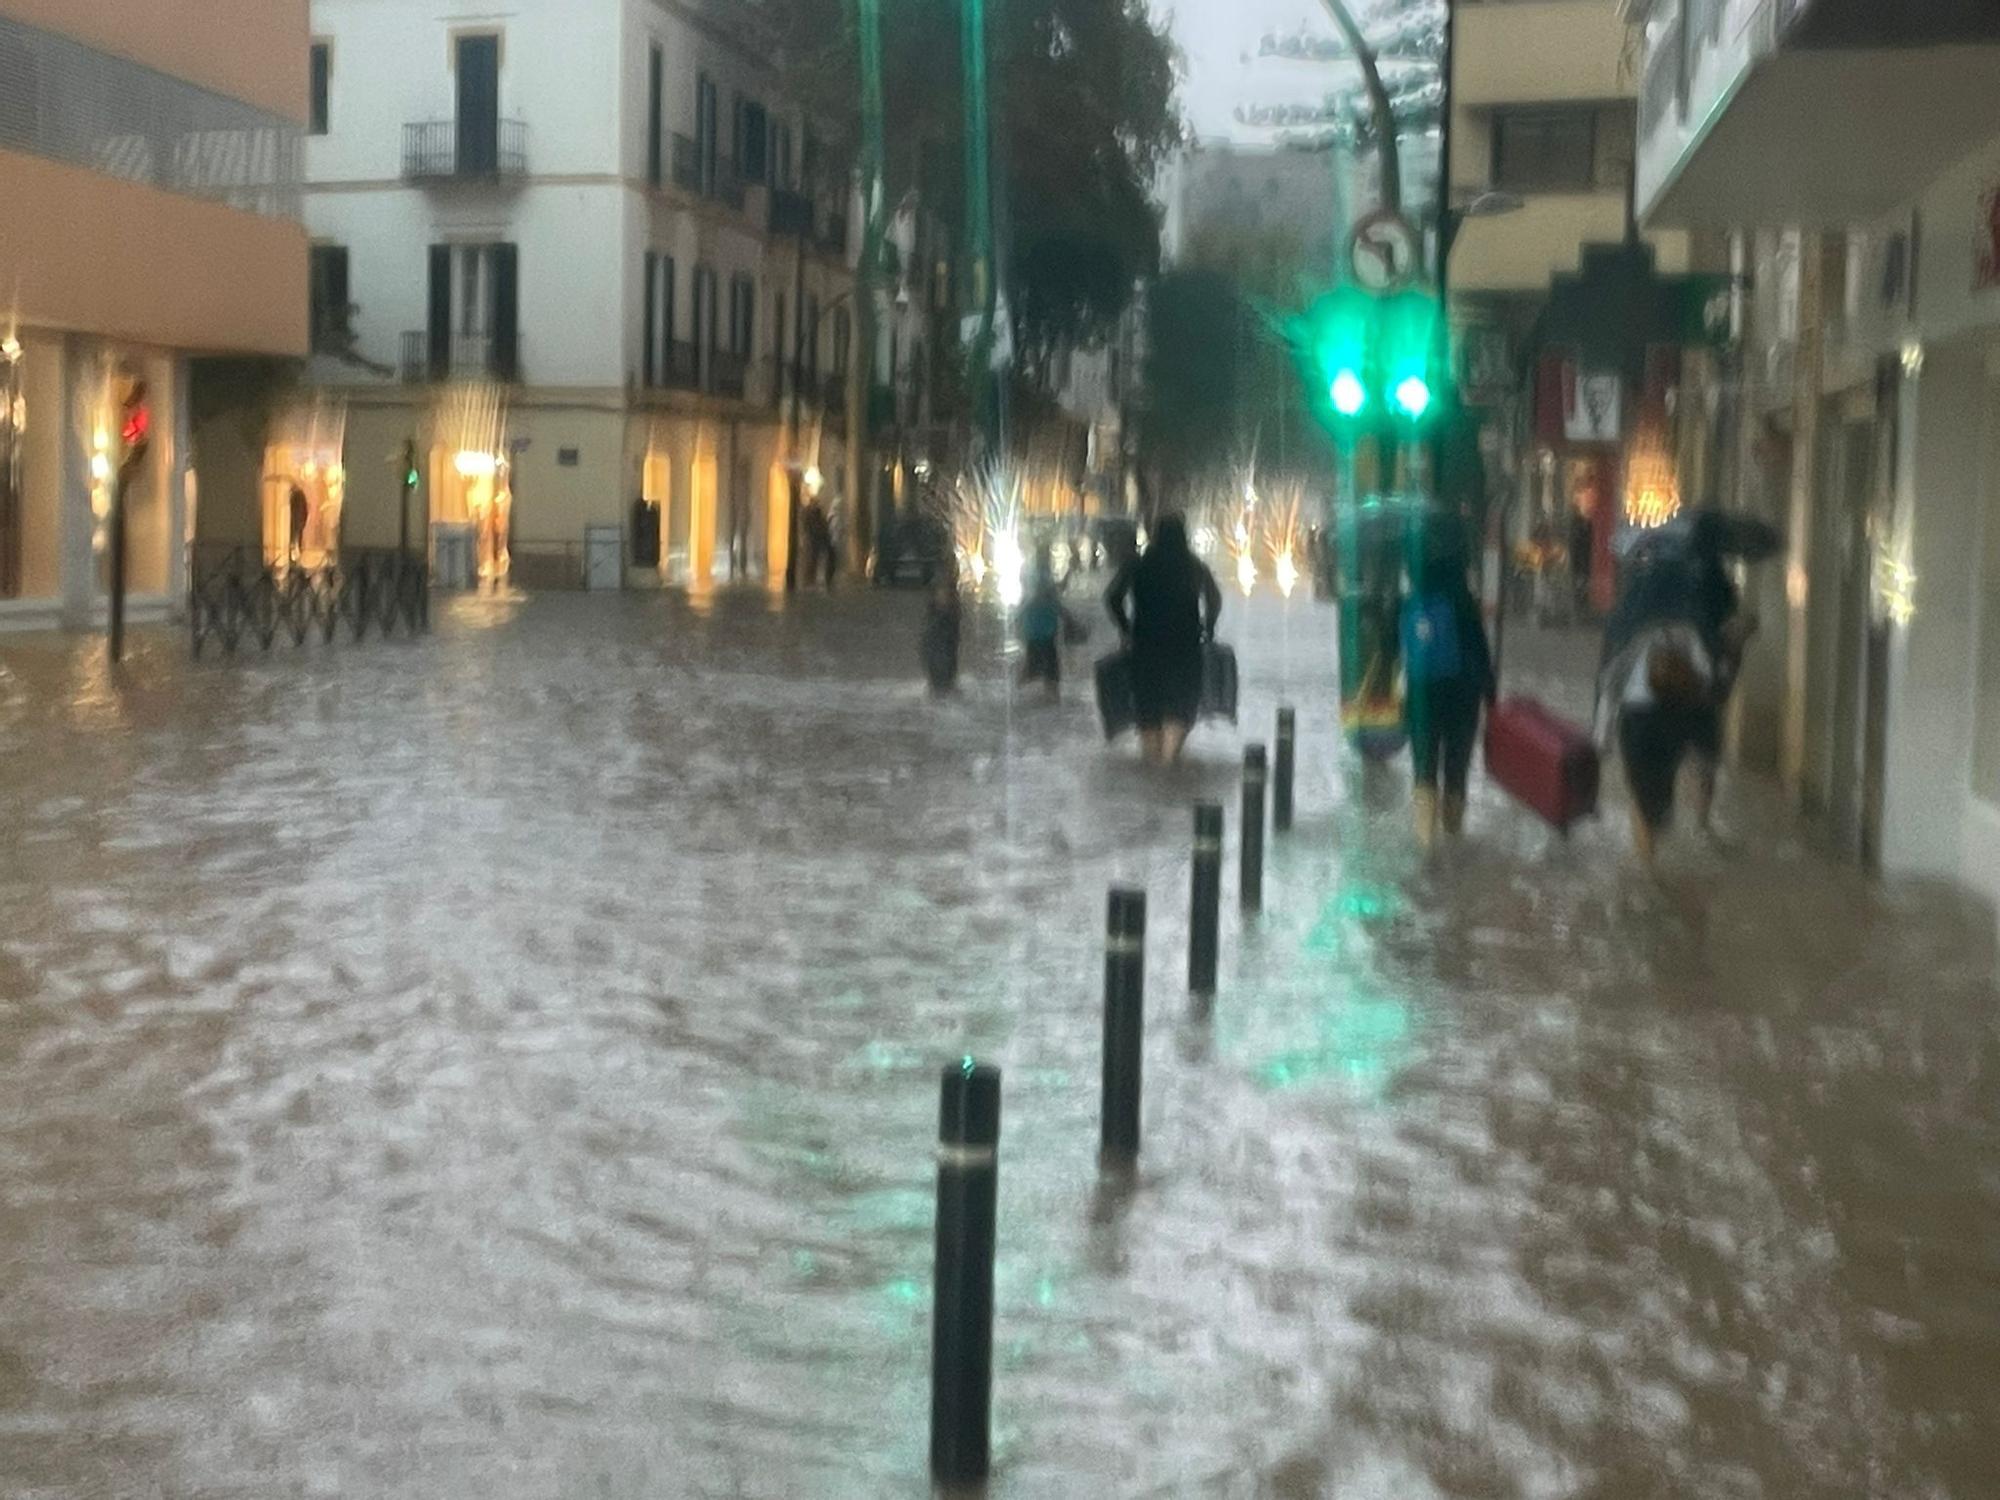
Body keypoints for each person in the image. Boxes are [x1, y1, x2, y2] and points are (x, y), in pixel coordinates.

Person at [1402, 519, 1495, 851]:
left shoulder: (1412, 599)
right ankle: (1453, 837)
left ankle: (1425, 843)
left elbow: (1397, 650)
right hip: (1461, 695)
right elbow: (1480, 650)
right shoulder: (1463, 600)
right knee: (1456, 765)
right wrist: (1490, 693)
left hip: (1421, 695)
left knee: (1424, 766)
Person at [1595, 621, 1720, 863]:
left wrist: (1603, 737)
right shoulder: (1690, 634)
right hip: (1674, 721)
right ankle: (1675, 835)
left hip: (1637, 721)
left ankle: (1648, 867)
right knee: (1661, 791)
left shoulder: (1633, 637)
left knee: (1642, 794)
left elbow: (1610, 686)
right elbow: (1706, 679)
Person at [1104, 512, 1223, 763]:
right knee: (1182, 705)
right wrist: (1208, 627)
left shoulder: (1137, 565)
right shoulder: (1194, 566)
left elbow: (1112, 598)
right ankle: (1168, 764)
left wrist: (1125, 628)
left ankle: (1152, 768)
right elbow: (1214, 599)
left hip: (1145, 645)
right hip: (1185, 646)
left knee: (1148, 706)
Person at [1018, 544, 1072, 701]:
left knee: (1033, 665)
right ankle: (1052, 697)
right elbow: (1053, 596)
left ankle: (1017, 694)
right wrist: (1067, 617)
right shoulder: (1043, 577)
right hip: (1045, 629)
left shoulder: (1031, 575)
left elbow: (1030, 600)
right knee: (1050, 667)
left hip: (1034, 628)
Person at [921, 557, 962, 694]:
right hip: (939, 659)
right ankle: (941, 686)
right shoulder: (938, 616)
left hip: (943, 656)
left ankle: (944, 685)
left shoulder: (949, 610)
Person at [801, 497, 835, 589]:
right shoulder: (810, 514)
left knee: (814, 558)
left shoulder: (814, 513)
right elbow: (810, 526)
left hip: (819, 538)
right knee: (813, 558)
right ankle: (810, 580)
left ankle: (813, 579)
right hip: (816, 538)